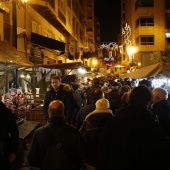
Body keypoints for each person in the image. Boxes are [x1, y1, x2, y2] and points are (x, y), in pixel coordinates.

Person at [97, 86, 168, 170]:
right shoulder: (153, 123)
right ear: (149, 101)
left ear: (128, 100)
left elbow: (104, 150)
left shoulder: (114, 121)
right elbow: (159, 154)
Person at [28, 100, 87, 170]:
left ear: (48, 112)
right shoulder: (74, 132)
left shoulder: (39, 133)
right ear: (63, 112)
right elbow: (82, 155)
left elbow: (31, 158)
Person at [80, 98, 113, 170]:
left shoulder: (88, 121)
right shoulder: (114, 121)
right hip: (108, 159)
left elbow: (81, 138)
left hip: (91, 159)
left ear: (96, 107)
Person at [0, 91, 19, 170]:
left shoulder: (6, 112)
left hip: (2, 147)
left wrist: (13, 151)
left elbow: (14, 132)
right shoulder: (6, 112)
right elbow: (14, 132)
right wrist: (13, 151)